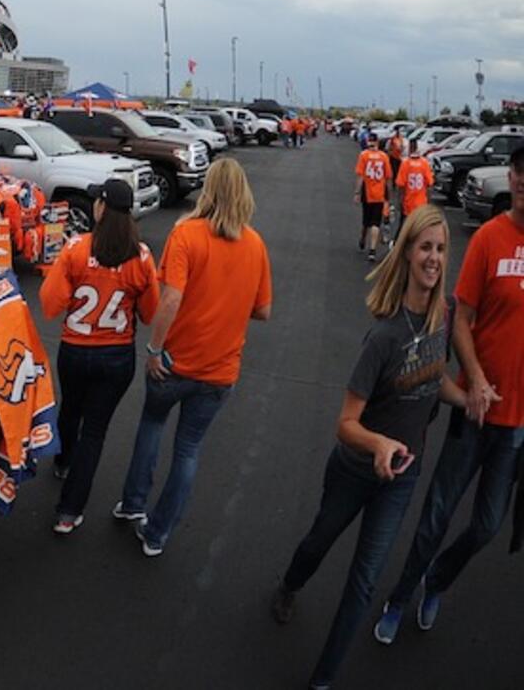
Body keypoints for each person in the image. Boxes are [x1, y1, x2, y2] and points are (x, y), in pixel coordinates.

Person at [270, 205, 465, 689]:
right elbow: (345, 423)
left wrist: (467, 396)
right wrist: (378, 444)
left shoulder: (445, 316)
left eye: (441, 249)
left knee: (363, 581)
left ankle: (322, 679)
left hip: (402, 477)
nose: (434, 258)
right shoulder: (384, 334)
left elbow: (432, 376)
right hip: (356, 467)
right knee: (319, 540)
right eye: (425, 248)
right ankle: (289, 585)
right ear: (406, 254)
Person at [372, 145, 524, 643]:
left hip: (517, 424)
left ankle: (436, 582)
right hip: (475, 411)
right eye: (521, 173)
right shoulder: (489, 239)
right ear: (512, 177)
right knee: (436, 515)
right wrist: (475, 378)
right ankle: (400, 596)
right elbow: (462, 317)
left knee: (486, 526)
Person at [114, 159, 273, 555]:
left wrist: (155, 349)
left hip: (174, 363)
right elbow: (263, 310)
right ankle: (157, 533)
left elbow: (170, 297)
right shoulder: (255, 244)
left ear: (208, 189)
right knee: (188, 450)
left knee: (151, 425)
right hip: (219, 372)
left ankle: (134, 503)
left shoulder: (186, 233)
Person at [38, 178, 160, 534]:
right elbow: (150, 314)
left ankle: (62, 461)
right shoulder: (142, 256)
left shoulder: (76, 248)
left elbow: (48, 304)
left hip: (75, 350)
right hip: (116, 356)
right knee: (95, 431)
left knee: (71, 409)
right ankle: (69, 511)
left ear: (102, 207)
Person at [354, 135, 392, 262]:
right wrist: (389, 194)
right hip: (379, 193)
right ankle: (372, 250)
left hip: (367, 191)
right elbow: (388, 177)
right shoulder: (384, 157)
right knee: (376, 222)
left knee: (366, 220)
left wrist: (357, 192)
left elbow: (360, 176)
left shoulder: (364, 155)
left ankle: (363, 239)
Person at [394, 140, 433, 233]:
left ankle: (397, 244)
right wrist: (428, 201)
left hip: (409, 202)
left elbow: (401, 185)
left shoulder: (405, 163)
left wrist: (399, 201)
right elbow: (429, 184)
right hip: (421, 202)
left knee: (404, 228)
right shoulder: (424, 163)